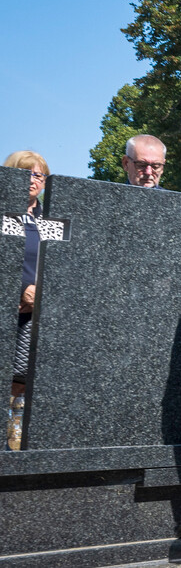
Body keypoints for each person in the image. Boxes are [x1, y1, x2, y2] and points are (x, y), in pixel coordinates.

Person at [3, 151, 49, 449]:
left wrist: (40, 292)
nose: (33, 180)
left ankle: (17, 429)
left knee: (25, 375)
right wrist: (20, 288)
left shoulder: (50, 219)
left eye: (39, 175)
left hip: (37, 312)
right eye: (26, 173)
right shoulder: (4, 213)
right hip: (11, 305)